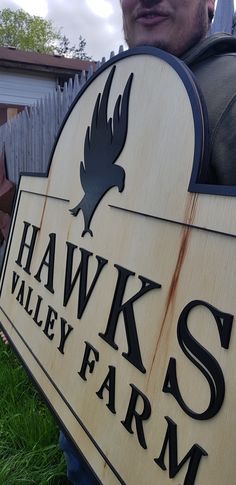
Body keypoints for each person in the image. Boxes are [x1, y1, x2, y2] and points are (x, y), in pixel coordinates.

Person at [61, 0, 236, 482]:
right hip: (87, 385)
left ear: (210, 3)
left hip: (169, 441)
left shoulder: (228, 94)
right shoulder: (127, 85)